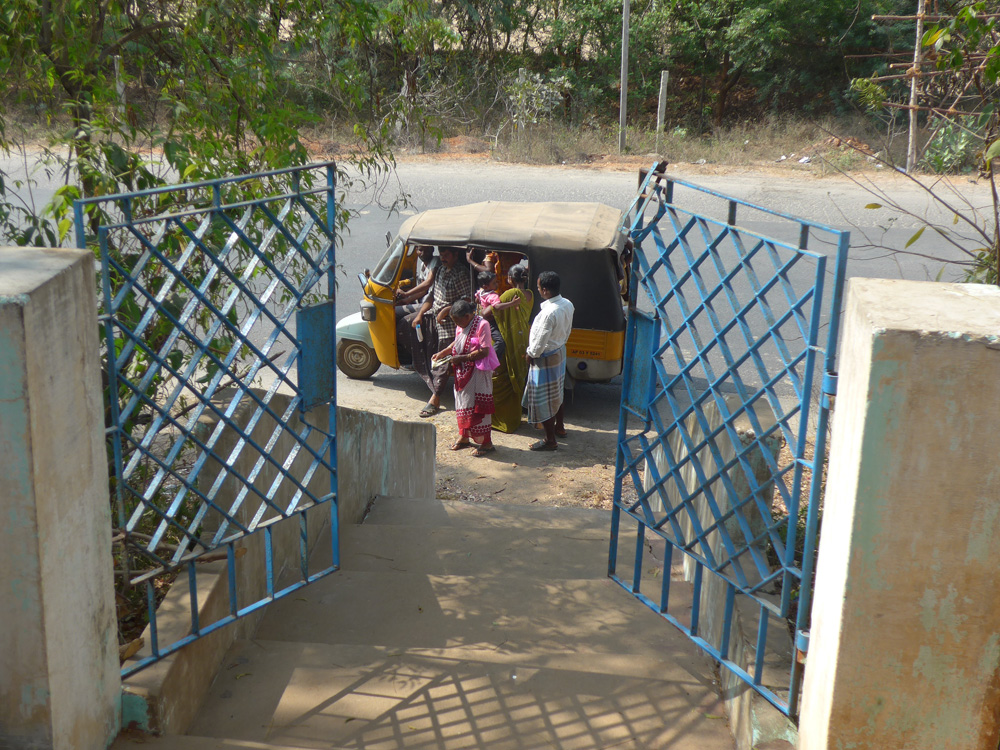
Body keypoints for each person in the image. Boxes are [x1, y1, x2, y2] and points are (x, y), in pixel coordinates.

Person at [405, 246, 473, 418]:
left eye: (446, 255)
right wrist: (420, 315)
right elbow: (431, 296)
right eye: (441, 255)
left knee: (443, 360)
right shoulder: (441, 270)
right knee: (407, 325)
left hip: (451, 323)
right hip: (435, 317)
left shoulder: (460, 273)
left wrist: (447, 310)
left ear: (455, 255)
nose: (443, 258)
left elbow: (467, 300)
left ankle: (435, 398)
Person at [433, 300, 499, 457]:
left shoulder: (482, 324)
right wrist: (443, 353)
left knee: (478, 407)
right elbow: (457, 341)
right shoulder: (462, 325)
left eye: (457, 321)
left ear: (468, 316)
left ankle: (486, 443)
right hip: (462, 373)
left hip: (478, 373)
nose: (457, 324)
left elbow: (484, 351)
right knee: (462, 404)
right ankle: (463, 437)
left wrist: (462, 358)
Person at [522, 270, 574, 451]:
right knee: (557, 393)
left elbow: (539, 342)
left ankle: (550, 440)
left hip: (545, 357)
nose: (538, 290)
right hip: (559, 351)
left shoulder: (548, 313)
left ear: (545, 290)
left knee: (543, 399)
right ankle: (560, 427)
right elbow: (567, 330)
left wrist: (530, 354)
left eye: (538, 288)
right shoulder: (567, 303)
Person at [490, 264, 532, 433]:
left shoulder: (509, 294)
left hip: (509, 340)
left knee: (501, 379)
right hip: (522, 340)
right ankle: (514, 418)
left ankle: (502, 421)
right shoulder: (530, 294)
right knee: (517, 377)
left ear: (510, 279)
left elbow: (492, 310)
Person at [475, 269, 521, 360]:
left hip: (482, 320)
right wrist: (512, 303)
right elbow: (497, 307)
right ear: (486, 286)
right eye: (494, 283)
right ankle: (490, 360)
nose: (497, 284)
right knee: (500, 342)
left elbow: (477, 299)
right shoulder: (493, 296)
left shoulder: (481, 292)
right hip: (491, 322)